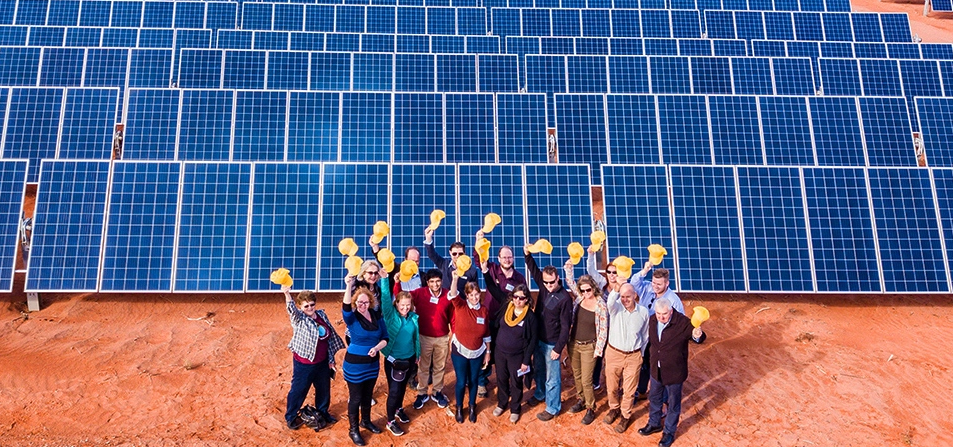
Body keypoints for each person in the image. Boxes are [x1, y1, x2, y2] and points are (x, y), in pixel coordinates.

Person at [638, 298, 706, 447]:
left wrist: (697, 334)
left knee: (673, 404)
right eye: (658, 313)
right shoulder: (653, 320)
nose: (661, 317)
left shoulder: (682, 323)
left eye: (664, 314)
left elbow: (698, 337)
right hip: (656, 369)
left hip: (674, 372)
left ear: (671, 311)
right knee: (655, 398)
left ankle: (669, 432)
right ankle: (654, 423)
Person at [473, 230, 527, 398]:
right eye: (504, 257)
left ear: (513, 258)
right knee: (485, 349)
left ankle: (505, 380)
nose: (507, 259)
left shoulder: (519, 278)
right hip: (489, 317)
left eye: (509, 257)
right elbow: (479, 258)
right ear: (498, 259)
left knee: (502, 350)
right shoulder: (492, 269)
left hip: (507, 322)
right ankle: (482, 381)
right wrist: (478, 241)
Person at [282, 285, 345, 430]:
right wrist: (287, 293)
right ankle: (291, 417)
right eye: (306, 306)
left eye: (312, 304)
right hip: (304, 363)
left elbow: (328, 340)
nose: (310, 308)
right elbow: (291, 310)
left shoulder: (321, 315)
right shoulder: (299, 319)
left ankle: (323, 412)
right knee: (299, 390)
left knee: (323, 389)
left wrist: (330, 360)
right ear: (300, 307)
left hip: (322, 361)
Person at [482, 258, 537, 424]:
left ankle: (515, 408)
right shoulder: (507, 306)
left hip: (517, 356)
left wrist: (526, 361)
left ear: (527, 299)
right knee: (501, 379)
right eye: (516, 297)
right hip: (500, 352)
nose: (518, 300)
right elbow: (492, 287)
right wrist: (485, 271)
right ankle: (502, 403)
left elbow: (532, 340)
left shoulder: (530, 317)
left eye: (522, 298)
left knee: (515, 381)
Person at [524, 246, 573, 422]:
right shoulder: (544, 287)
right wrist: (527, 253)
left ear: (557, 278)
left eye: (552, 282)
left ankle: (552, 407)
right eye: (545, 282)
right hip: (539, 340)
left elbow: (566, 327)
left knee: (553, 378)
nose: (548, 286)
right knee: (539, 371)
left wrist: (558, 348)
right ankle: (539, 394)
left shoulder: (565, 298)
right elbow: (533, 268)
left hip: (552, 344)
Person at [342, 277, 389, 446]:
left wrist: (377, 348)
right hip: (354, 366)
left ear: (370, 301)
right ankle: (353, 430)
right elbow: (346, 307)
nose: (363, 305)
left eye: (366, 301)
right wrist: (348, 286)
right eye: (359, 302)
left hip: (372, 365)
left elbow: (385, 338)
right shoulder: (352, 318)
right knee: (355, 398)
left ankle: (366, 421)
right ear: (356, 303)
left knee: (368, 395)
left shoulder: (377, 315)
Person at [630, 261, 685, 401]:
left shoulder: (673, 301)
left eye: (659, 284)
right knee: (643, 364)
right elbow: (634, 283)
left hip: (661, 341)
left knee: (661, 370)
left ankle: (664, 400)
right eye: (654, 282)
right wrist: (645, 270)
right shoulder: (647, 288)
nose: (655, 286)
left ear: (667, 283)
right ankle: (640, 391)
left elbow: (680, 323)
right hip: (643, 336)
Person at [400, 269, 453, 410]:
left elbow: (453, 316)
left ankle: (437, 391)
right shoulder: (419, 293)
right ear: (427, 283)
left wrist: (454, 333)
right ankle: (422, 393)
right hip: (424, 337)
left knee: (439, 367)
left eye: (438, 281)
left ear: (441, 281)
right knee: (423, 367)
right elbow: (401, 297)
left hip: (442, 338)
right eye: (432, 282)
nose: (435, 284)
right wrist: (397, 282)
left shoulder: (448, 295)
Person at [602, 283, 650, 433]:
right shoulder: (616, 308)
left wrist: (640, 354)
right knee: (612, 387)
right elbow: (610, 301)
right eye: (622, 297)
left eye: (627, 296)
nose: (624, 300)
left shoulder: (643, 312)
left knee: (629, 391)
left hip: (633, 356)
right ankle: (614, 408)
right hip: (614, 353)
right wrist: (616, 289)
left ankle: (625, 415)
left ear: (635, 295)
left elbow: (645, 335)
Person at [446, 272, 491, 423]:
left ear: (480, 294)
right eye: (471, 295)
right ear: (466, 295)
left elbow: (487, 333)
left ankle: (472, 406)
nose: (474, 297)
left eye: (476, 294)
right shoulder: (460, 306)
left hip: (478, 352)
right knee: (461, 381)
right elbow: (452, 294)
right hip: (460, 351)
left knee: (473, 380)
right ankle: (459, 408)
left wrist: (488, 352)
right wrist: (455, 279)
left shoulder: (484, 310)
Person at [378, 275, 420, 436]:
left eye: (408, 305)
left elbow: (416, 337)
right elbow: (386, 298)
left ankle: (398, 408)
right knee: (394, 390)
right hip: (394, 360)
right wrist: (384, 279)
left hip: (409, 358)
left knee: (402, 388)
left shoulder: (414, 318)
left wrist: (418, 354)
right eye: (402, 305)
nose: (405, 308)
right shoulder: (390, 315)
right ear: (397, 305)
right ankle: (390, 421)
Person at [563, 274, 607, 425]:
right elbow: (570, 281)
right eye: (582, 291)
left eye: (588, 290)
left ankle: (590, 407)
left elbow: (603, 330)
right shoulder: (580, 299)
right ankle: (581, 399)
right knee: (577, 375)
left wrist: (598, 350)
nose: (586, 293)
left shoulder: (601, 305)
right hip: (574, 344)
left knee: (587, 380)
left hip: (590, 346)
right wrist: (568, 267)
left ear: (594, 288)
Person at [424, 226, 478, 296]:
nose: (457, 256)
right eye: (454, 253)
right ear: (450, 253)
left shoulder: (471, 271)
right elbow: (432, 255)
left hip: (461, 304)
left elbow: (474, 290)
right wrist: (428, 239)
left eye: (460, 254)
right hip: (445, 303)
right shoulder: (443, 264)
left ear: (464, 253)